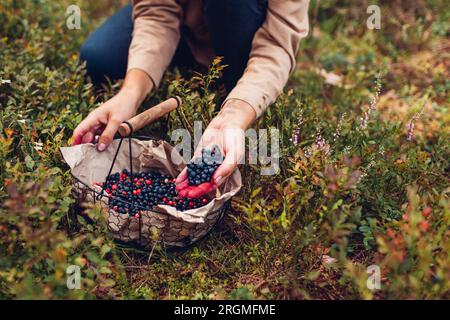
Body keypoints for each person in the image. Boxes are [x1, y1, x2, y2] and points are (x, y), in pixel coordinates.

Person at [72, 0, 309, 198]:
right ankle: (191, 52)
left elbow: (277, 44)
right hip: (187, 21)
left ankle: (233, 74)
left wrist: (235, 114)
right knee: (99, 58)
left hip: (241, 21)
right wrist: (130, 94)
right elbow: (157, 11)